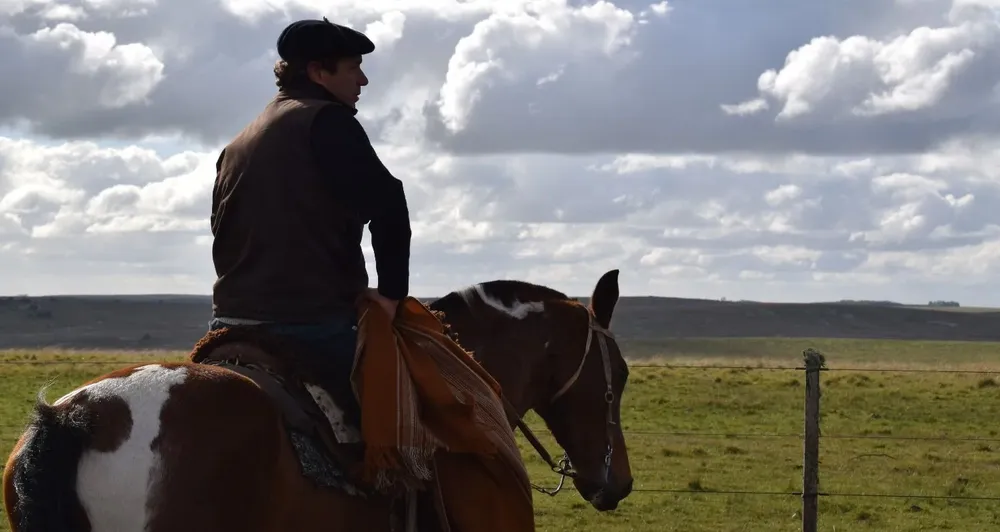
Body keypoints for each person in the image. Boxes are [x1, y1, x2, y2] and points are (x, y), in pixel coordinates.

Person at [208, 17, 411, 428]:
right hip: (310, 321)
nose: (364, 80)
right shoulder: (327, 122)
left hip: (228, 322)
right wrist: (391, 295)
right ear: (319, 72)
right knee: (412, 420)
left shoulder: (239, 142)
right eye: (353, 67)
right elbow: (388, 204)